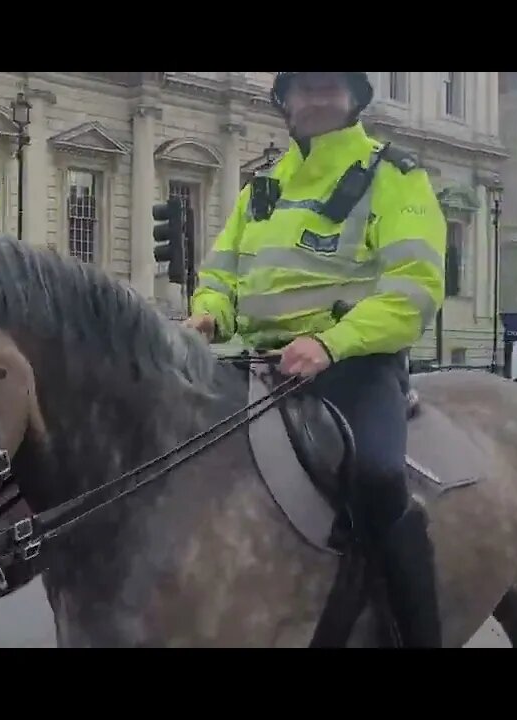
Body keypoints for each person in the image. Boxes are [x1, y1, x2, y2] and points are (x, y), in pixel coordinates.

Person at [184, 71, 447, 647]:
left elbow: (414, 288)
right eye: (303, 88)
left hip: (353, 363)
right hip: (255, 362)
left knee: (377, 478)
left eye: (330, 87)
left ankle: (414, 633)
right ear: (284, 101)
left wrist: (330, 343)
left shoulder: (393, 174)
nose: (316, 98)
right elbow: (221, 274)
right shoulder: (261, 188)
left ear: (355, 99)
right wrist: (208, 313)